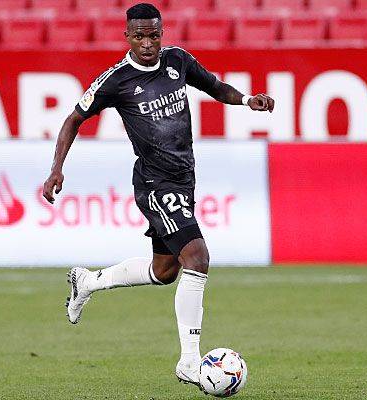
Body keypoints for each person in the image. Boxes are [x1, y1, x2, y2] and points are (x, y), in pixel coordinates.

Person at [41, 2, 275, 387]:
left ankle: (88, 282)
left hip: (184, 179)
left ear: (161, 33)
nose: (148, 43)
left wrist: (247, 100)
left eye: (154, 35)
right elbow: (73, 119)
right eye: (140, 36)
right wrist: (56, 168)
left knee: (165, 271)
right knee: (197, 257)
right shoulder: (116, 80)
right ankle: (189, 361)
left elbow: (215, 87)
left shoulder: (177, 60)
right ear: (127, 37)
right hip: (154, 183)